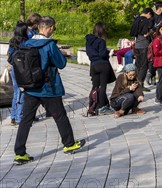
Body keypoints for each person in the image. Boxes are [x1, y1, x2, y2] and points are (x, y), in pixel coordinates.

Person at [13, 16, 85, 165]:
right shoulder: (49, 44)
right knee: (60, 116)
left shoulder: (27, 43)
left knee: (25, 121)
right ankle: (69, 144)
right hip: (48, 88)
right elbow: (61, 63)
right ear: (50, 28)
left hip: (31, 89)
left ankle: (20, 153)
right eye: (53, 28)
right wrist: (62, 54)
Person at [85, 23, 117, 115]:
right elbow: (103, 54)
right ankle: (102, 107)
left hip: (93, 65)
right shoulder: (101, 41)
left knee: (95, 86)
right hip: (103, 64)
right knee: (102, 87)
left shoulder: (88, 41)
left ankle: (92, 105)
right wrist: (109, 53)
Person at [7, 22, 28, 126]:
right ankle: (19, 117)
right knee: (21, 92)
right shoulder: (25, 42)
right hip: (22, 70)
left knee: (16, 92)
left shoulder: (12, 42)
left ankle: (13, 117)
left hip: (13, 70)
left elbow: (9, 57)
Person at [130, 8, 154, 91]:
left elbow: (133, 33)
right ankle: (140, 84)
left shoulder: (136, 20)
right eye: (150, 15)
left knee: (137, 65)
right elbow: (146, 34)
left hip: (137, 45)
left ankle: (134, 82)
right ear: (148, 13)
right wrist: (151, 32)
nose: (149, 17)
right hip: (144, 45)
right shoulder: (146, 21)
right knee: (144, 66)